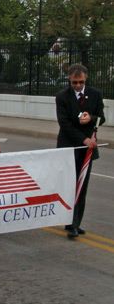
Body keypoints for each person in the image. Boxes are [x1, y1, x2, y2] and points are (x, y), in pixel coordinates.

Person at [56, 63, 105, 239]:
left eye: (81, 82)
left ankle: (76, 222)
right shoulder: (62, 97)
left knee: (81, 185)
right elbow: (64, 123)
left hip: (88, 148)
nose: (78, 85)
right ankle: (69, 222)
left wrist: (91, 118)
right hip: (70, 145)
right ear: (69, 79)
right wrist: (82, 139)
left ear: (86, 80)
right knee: (69, 184)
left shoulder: (95, 94)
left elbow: (101, 118)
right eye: (75, 82)